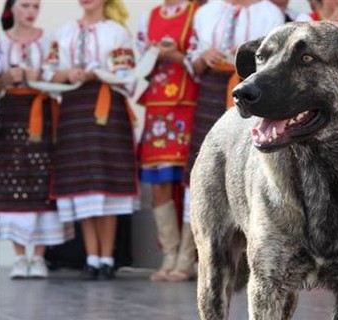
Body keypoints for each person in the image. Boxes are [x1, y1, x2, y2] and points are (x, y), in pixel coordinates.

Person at [42, 0, 137, 280]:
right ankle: (92, 257)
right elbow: (49, 71)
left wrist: (97, 73)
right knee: (84, 184)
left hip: (106, 108)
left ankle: (107, 257)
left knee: (105, 183)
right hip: (74, 109)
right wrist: (68, 73)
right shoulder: (64, 32)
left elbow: (126, 73)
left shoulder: (115, 32)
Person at [182, 0, 284, 238]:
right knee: (204, 163)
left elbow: (274, 64)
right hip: (212, 90)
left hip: (249, 90)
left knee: (247, 154)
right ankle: (189, 251)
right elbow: (193, 64)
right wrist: (204, 55)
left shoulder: (270, 13)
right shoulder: (207, 12)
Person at [0, 0, 73, 280]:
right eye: (25, 5)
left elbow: (58, 73)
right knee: (13, 181)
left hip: (43, 111)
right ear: (11, 9)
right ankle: (19, 257)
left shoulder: (48, 39)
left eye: (35, 6)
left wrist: (40, 75)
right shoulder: (0, 41)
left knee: (42, 180)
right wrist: (6, 77)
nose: (30, 11)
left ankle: (38, 257)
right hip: (11, 115)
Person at [136, 0, 200, 282]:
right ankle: (169, 254)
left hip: (187, 105)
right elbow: (137, 66)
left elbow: (200, 61)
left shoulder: (197, 14)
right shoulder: (149, 17)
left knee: (189, 182)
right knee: (159, 180)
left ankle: (187, 257)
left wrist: (176, 55)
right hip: (157, 106)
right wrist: (152, 56)